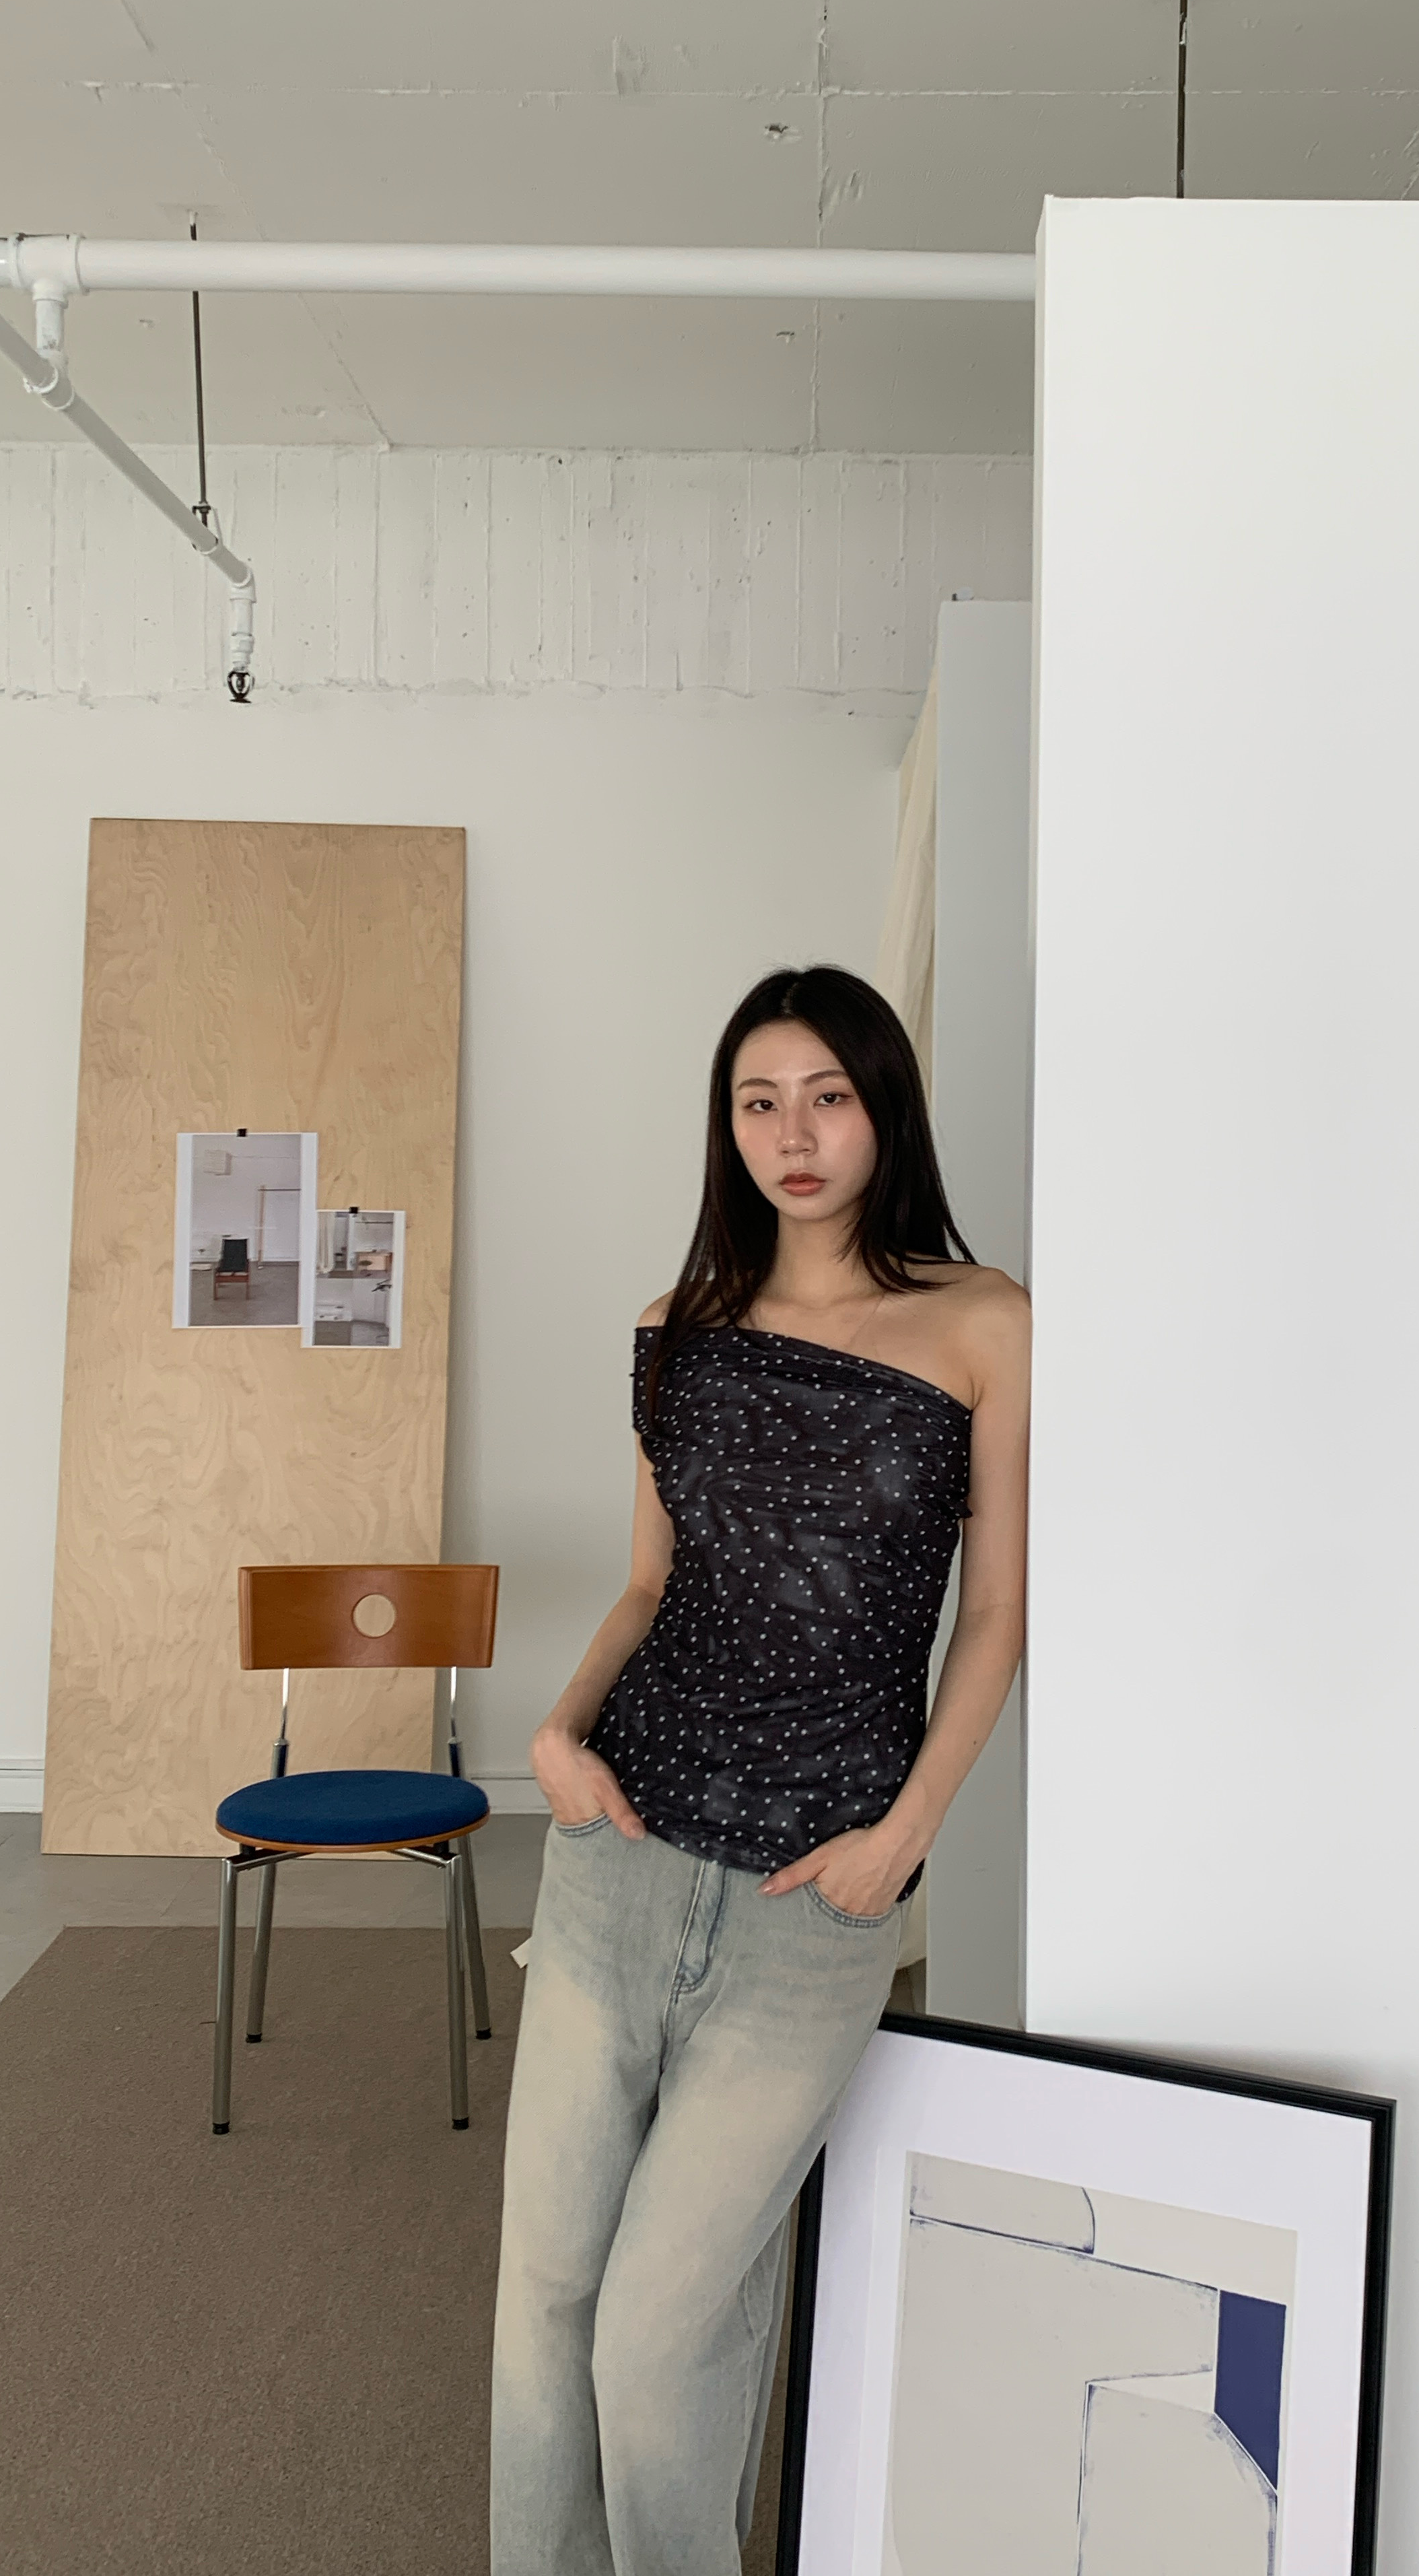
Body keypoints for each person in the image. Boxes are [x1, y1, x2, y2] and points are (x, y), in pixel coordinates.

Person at [490, 964, 1030, 2576]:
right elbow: (649, 1582)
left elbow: (996, 1613)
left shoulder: (984, 1325)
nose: (794, 1137)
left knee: (660, 2332)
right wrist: (556, 1736)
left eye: (829, 1098)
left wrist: (906, 1836)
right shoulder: (677, 1330)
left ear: (884, 1110)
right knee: (547, 2304)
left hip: (817, 1897)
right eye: (759, 1102)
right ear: (727, 1127)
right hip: (619, 1846)